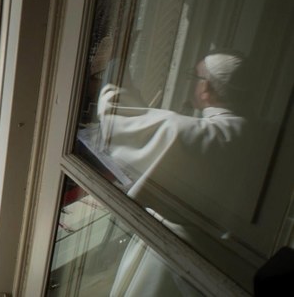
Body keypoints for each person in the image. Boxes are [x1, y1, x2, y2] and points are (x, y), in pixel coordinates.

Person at [99, 50, 258, 296]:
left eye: (194, 77)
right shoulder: (250, 134)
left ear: (205, 89)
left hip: (175, 257)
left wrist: (115, 61)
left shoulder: (211, 137)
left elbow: (118, 119)